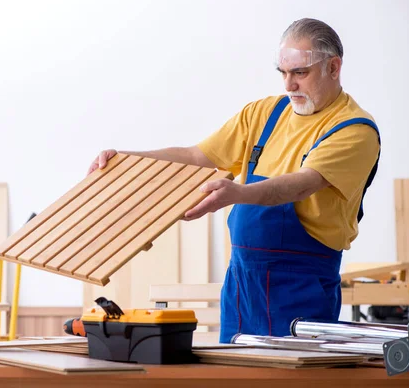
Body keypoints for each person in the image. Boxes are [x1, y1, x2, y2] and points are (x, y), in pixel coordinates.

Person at [87, 18, 381, 343]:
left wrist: (237, 192)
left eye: (300, 73)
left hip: (300, 289)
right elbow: (198, 156)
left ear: (334, 67)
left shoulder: (354, 130)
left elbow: (304, 183)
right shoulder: (263, 114)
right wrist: (127, 159)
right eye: (282, 73)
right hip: (241, 285)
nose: (288, 85)